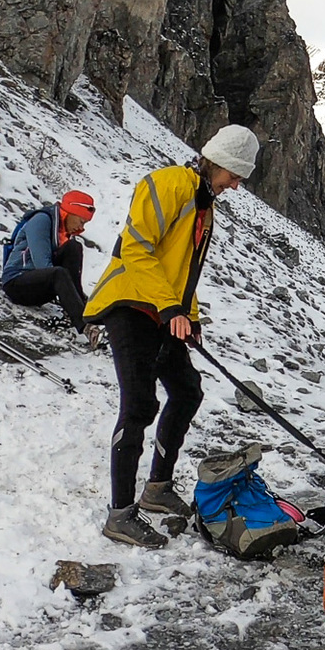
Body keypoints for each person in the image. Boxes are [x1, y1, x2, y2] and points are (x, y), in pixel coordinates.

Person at [84, 124, 260, 549]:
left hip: (162, 311)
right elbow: (137, 249)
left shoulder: (205, 205)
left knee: (186, 391)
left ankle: (157, 488)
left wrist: (190, 317)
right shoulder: (166, 184)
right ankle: (120, 515)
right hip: (129, 305)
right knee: (140, 405)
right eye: (235, 176)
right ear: (217, 162)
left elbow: (185, 272)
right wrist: (171, 309)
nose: (235, 186)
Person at [1, 190, 96, 337]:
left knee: (74, 247)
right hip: (16, 282)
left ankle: (82, 308)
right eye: (81, 221)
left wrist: (72, 296)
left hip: (37, 284)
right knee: (58, 273)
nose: (81, 228)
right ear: (70, 211)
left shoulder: (61, 230)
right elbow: (43, 265)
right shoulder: (42, 220)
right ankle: (86, 327)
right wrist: (66, 293)